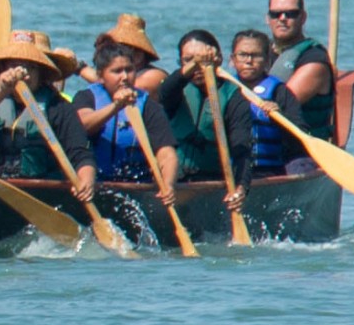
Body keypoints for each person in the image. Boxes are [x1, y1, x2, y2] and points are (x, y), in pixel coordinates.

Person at [0, 30, 99, 197]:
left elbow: (81, 154)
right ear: (3, 70)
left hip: (40, 191)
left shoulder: (59, 108)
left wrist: (86, 180)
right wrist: (3, 89)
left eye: (30, 67)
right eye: (14, 66)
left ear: (41, 73)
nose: (22, 74)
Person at [156, 29, 253, 211]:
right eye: (188, 60)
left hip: (210, 181)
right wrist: (196, 63)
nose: (198, 68)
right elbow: (164, 93)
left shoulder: (233, 97)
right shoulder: (176, 90)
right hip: (173, 181)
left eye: (203, 61)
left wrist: (241, 188)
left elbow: (242, 149)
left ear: (218, 60)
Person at [70, 36, 178, 188]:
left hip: (136, 183)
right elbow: (83, 125)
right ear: (100, 76)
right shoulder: (86, 97)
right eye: (117, 71)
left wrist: (168, 185)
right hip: (95, 183)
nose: (125, 77)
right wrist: (117, 106)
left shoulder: (147, 104)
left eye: (129, 69)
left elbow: (166, 152)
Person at [263, 0, 338, 143]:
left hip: (300, 149)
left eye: (291, 14)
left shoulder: (314, 60)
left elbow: (283, 104)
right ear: (267, 18)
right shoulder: (259, 53)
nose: (282, 18)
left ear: (303, 17)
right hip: (264, 142)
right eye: (275, 14)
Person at [232, 30, 294, 177]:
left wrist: (281, 118)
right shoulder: (223, 90)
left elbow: (298, 132)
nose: (248, 61)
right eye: (243, 55)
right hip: (231, 170)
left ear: (267, 60)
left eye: (256, 55)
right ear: (232, 59)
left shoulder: (279, 91)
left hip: (268, 171)